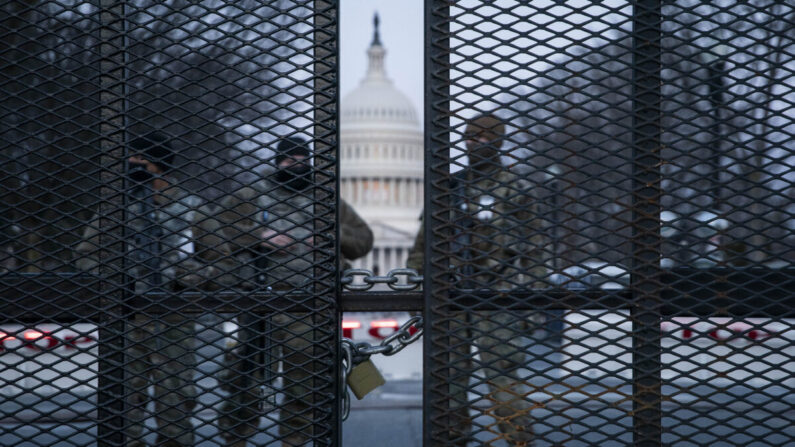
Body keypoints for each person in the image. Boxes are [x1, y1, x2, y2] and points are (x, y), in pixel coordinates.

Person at [199, 136, 373, 447]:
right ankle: (235, 438)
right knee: (245, 382)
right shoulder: (251, 194)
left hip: (307, 303)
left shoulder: (327, 199)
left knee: (303, 384)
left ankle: (293, 440)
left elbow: (363, 240)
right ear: (277, 162)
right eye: (287, 160)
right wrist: (258, 236)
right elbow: (213, 230)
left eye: (299, 159)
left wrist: (329, 234)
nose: (294, 165)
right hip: (257, 300)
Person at [406, 114, 548, 446]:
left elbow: (537, 250)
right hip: (452, 297)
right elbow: (421, 247)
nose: (476, 144)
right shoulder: (449, 188)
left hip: (498, 295)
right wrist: (417, 289)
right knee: (450, 383)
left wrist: (536, 303)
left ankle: (519, 440)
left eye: (485, 138)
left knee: (503, 382)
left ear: (498, 141)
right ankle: (454, 438)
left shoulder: (516, 189)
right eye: (471, 138)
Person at [76, 132, 206, 446]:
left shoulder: (191, 208)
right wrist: (113, 278)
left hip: (174, 320)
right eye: (132, 157)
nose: (133, 164)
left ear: (160, 165)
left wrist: (191, 276)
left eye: (142, 159)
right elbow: (84, 254)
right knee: (124, 409)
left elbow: (221, 261)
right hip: (127, 317)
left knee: (175, 409)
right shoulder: (115, 207)